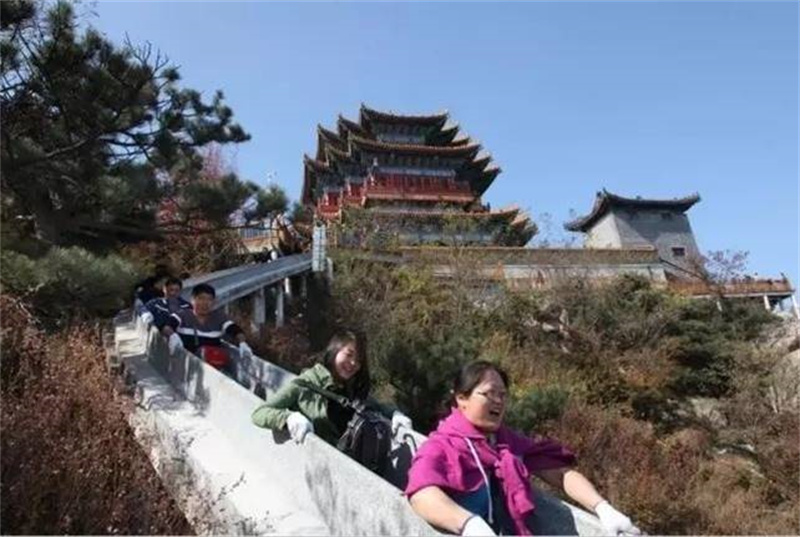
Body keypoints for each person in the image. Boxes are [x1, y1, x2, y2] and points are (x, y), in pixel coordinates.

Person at [405, 361, 640, 536]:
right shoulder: (441, 446)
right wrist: (470, 525)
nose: (498, 400)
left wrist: (602, 507)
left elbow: (560, 473)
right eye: (489, 394)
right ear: (461, 399)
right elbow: (422, 494)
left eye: (503, 395)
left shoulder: (506, 443)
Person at [251, 331, 413, 446]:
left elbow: (375, 405)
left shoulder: (350, 387)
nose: (353, 364)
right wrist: (288, 418)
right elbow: (260, 413)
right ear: (334, 350)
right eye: (349, 355)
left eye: (358, 360)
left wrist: (394, 414)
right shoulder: (306, 383)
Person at [162, 283, 253, 371]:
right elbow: (167, 326)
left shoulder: (219, 317)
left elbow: (234, 329)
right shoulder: (182, 315)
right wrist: (172, 335)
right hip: (187, 365)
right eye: (201, 299)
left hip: (213, 364)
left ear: (213, 302)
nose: (205, 303)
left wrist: (243, 342)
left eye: (209, 300)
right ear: (192, 300)